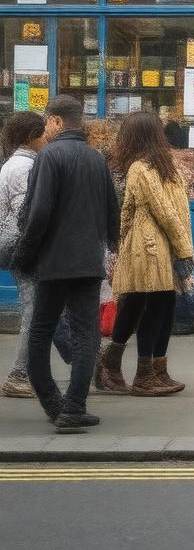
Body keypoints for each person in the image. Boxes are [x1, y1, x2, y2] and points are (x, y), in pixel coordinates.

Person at [11, 96, 120, 434]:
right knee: (86, 333)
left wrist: (24, 254)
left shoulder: (48, 157)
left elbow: (38, 213)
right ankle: (74, 406)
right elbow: (112, 212)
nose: (45, 126)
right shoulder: (96, 159)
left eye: (47, 121)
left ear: (56, 122)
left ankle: (53, 401)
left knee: (41, 330)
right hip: (88, 260)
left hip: (53, 262)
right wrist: (110, 249)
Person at [95, 112, 194, 396]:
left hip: (163, 245)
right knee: (151, 304)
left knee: (159, 305)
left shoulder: (163, 166)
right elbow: (161, 210)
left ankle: (150, 369)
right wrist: (184, 247)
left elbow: (171, 210)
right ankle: (143, 374)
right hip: (149, 246)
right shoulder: (141, 168)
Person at [0, 111, 65, 399]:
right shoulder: (24, 168)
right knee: (35, 311)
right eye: (42, 134)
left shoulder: (18, 164)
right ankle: (18, 374)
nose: (46, 139)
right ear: (30, 137)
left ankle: (86, 360)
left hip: (22, 247)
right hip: (26, 248)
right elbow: (28, 214)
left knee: (45, 308)